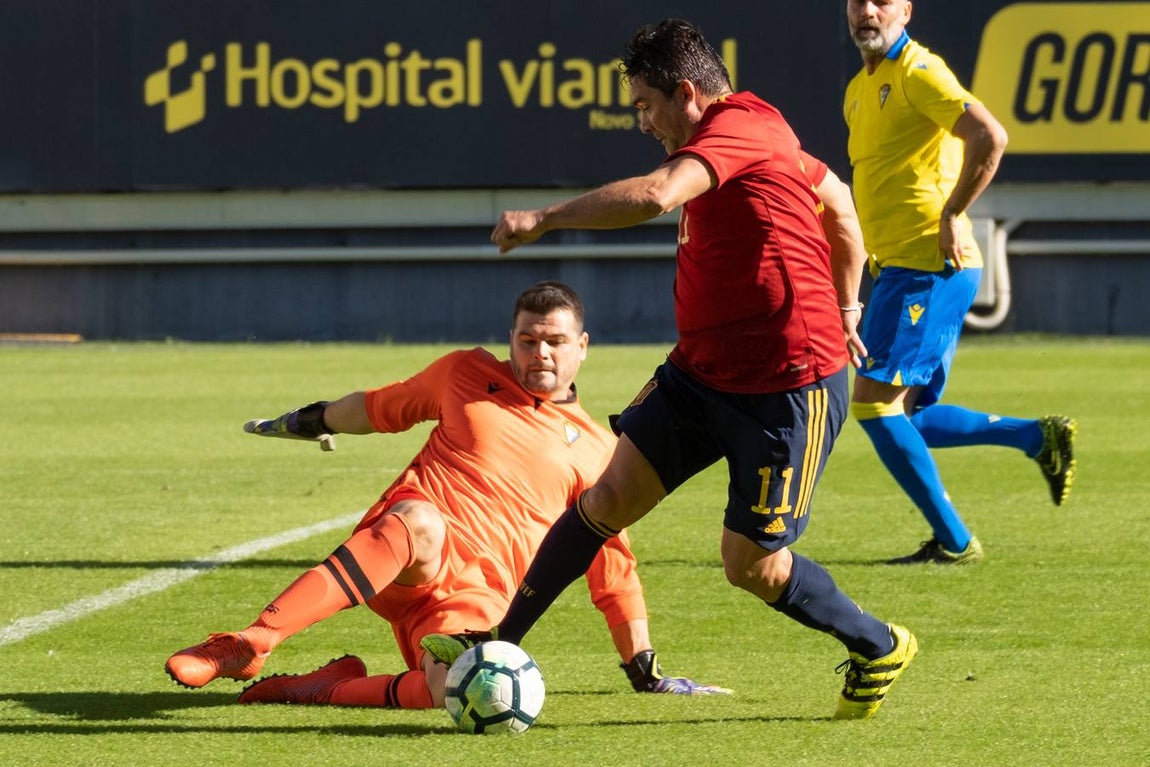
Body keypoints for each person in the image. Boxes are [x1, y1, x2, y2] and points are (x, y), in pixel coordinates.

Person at [422, 18, 916, 720]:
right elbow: (836, 203)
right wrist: (846, 302)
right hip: (702, 375)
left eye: (645, 106)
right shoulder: (756, 136)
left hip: (787, 387)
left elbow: (657, 195)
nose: (643, 123)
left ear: (686, 93)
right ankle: (495, 639)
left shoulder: (741, 126)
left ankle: (878, 643)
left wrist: (545, 218)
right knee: (604, 500)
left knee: (751, 566)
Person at [165, 281, 727, 709]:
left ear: (582, 346)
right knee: (421, 520)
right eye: (528, 340)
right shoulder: (465, 373)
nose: (541, 354)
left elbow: (615, 571)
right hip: (407, 548)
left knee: (455, 688)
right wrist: (309, 419)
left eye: (555, 341)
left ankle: (325, 687)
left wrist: (644, 671)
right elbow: (382, 407)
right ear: (511, 339)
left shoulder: (602, 452)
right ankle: (253, 640)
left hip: (478, 598)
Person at [843, 0, 1077, 565]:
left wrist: (951, 215)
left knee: (874, 406)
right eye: (857, 1)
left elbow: (989, 136)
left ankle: (955, 542)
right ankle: (1036, 437)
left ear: (906, 9)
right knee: (911, 414)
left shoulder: (919, 71)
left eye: (881, 1)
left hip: (927, 265)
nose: (866, 11)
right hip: (897, 268)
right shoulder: (859, 88)